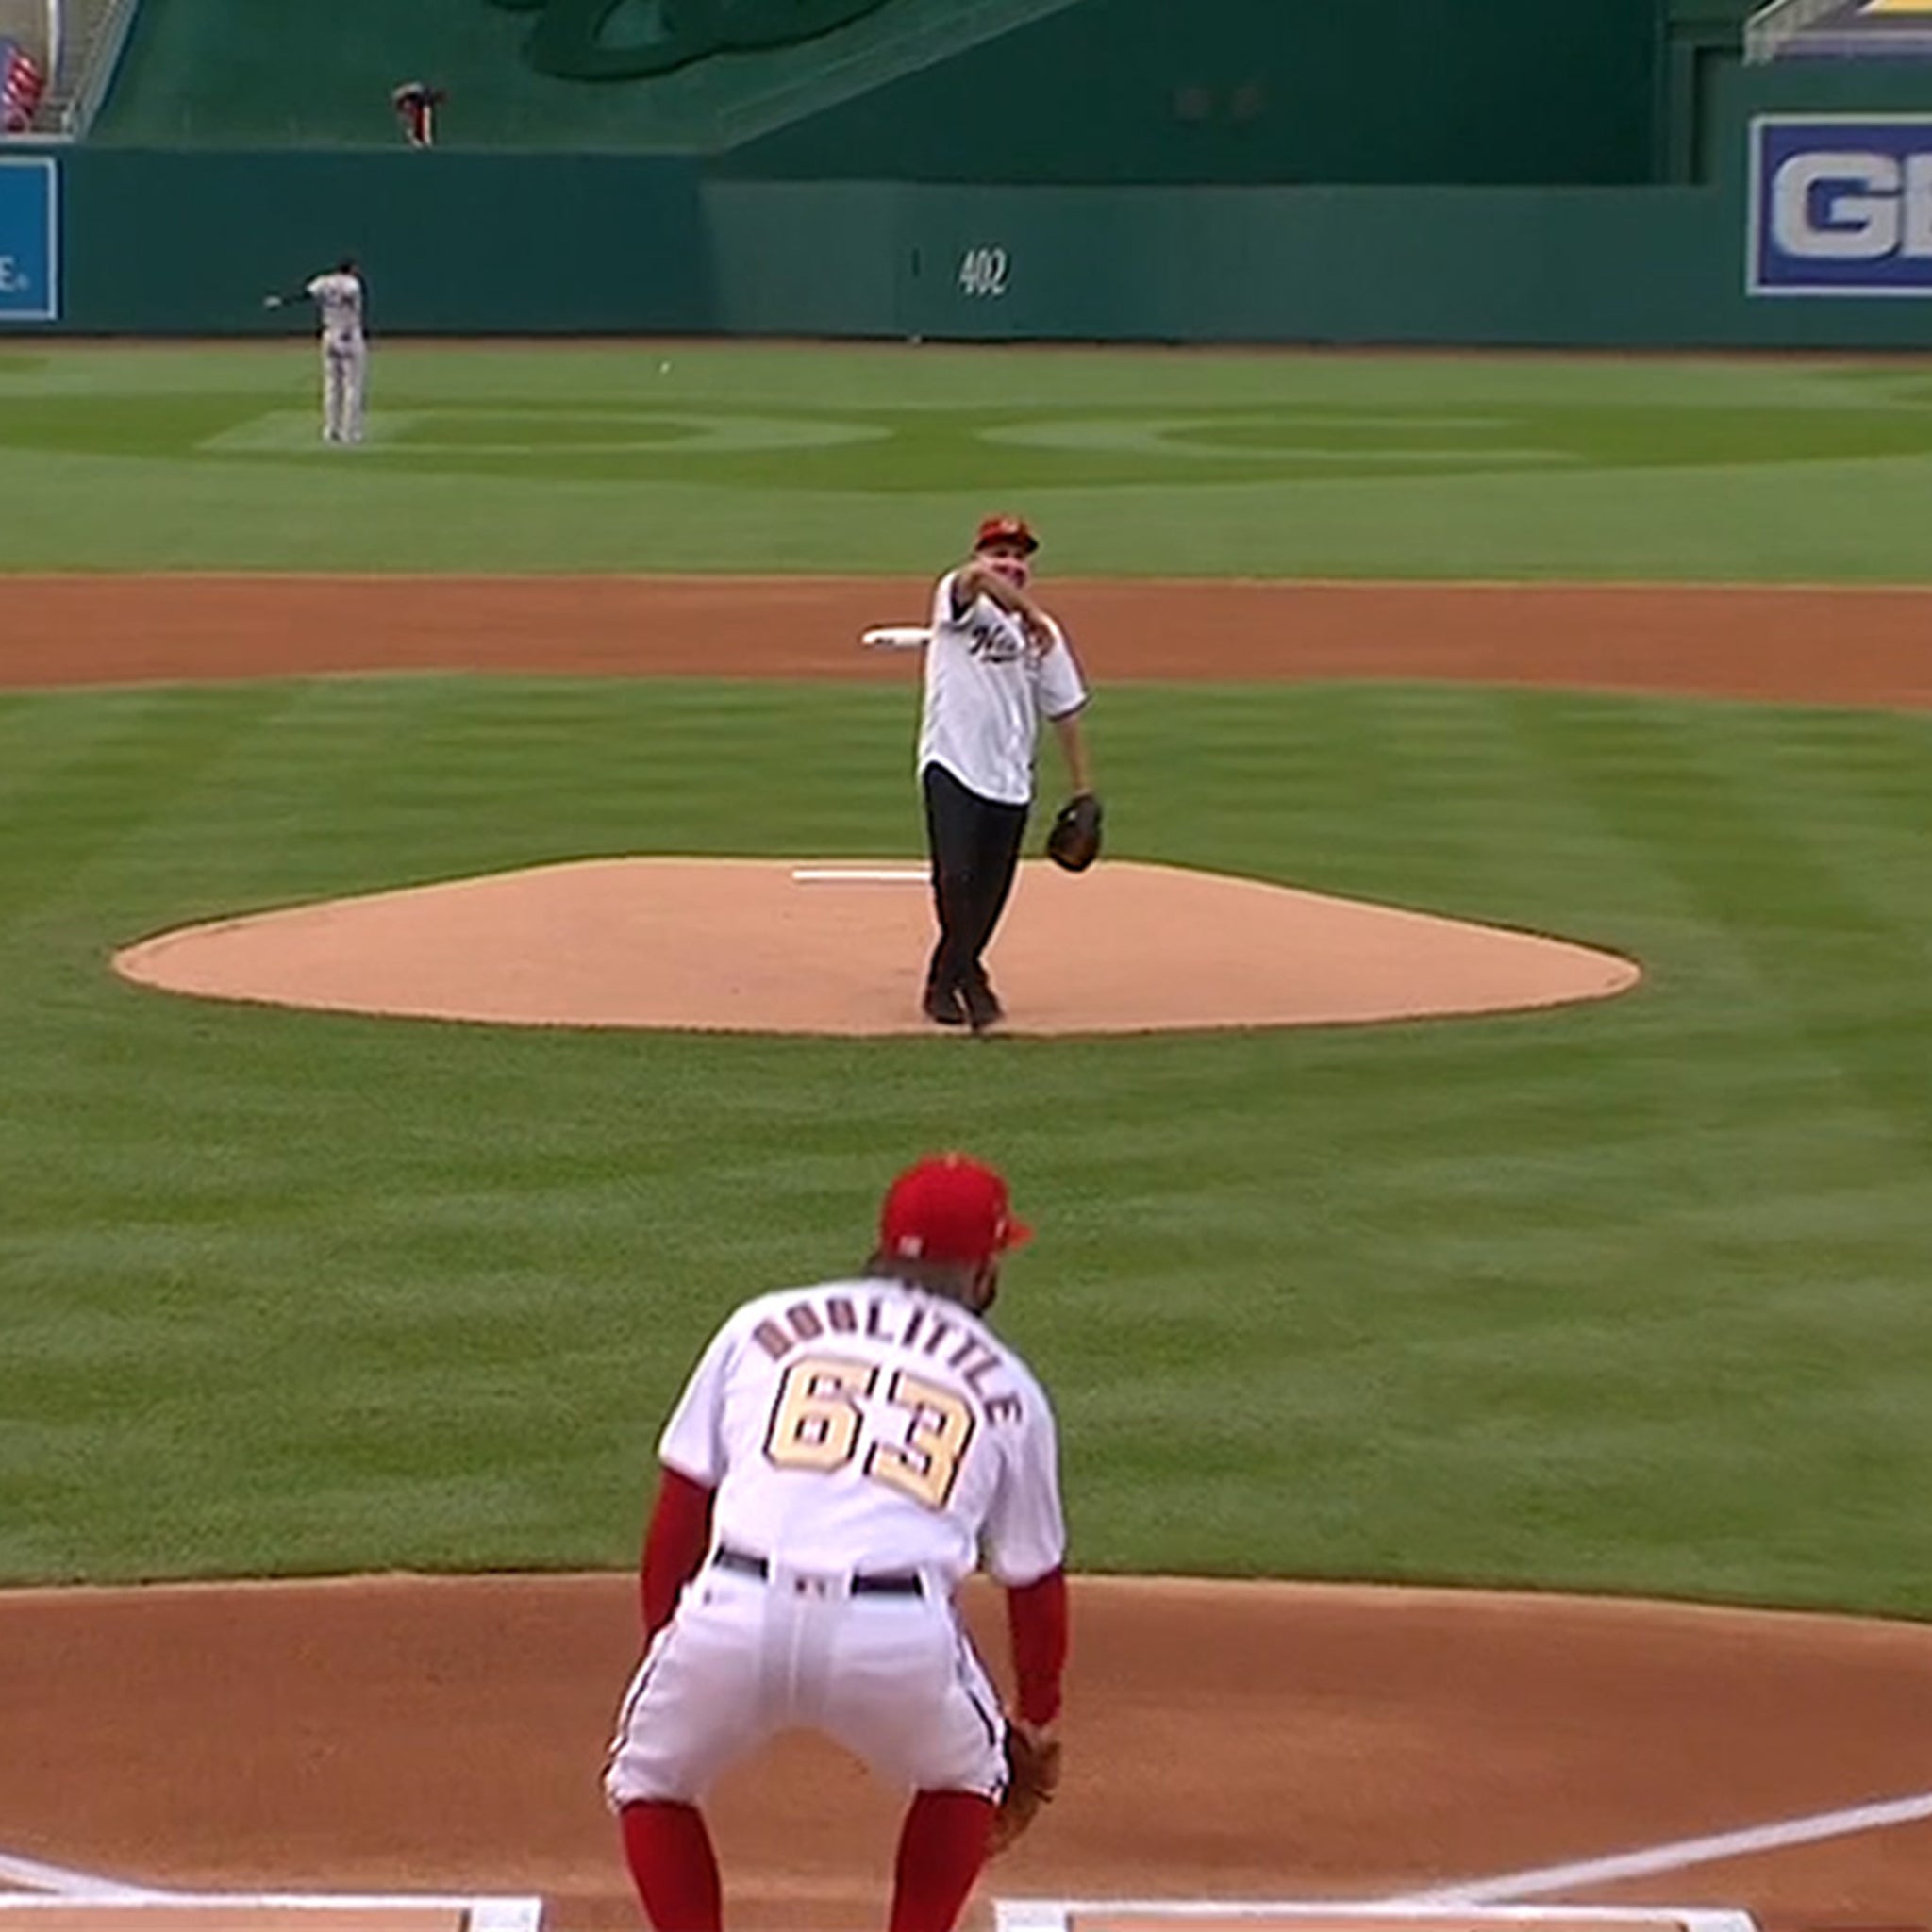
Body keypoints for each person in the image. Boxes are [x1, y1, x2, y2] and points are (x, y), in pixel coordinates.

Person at [603, 1152, 1071, 1932]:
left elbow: (680, 1510)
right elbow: (1034, 1580)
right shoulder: (1009, 1386)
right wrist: (1039, 1715)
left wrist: (670, 1643)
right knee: (965, 1775)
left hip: (733, 1607)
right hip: (896, 1636)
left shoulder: (761, 1324)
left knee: (650, 1778)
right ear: (985, 1269)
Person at [917, 514, 1094, 1032]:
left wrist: (1085, 789)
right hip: (950, 761)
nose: (1010, 565)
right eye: (1000, 554)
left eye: (1019, 556)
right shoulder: (958, 602)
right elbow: (974, 582)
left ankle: (943, 976)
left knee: (990, 893)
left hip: (1011, 775)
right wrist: (1031, 613)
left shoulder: (1044, 636)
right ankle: (969, 978)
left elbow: (1065, 710)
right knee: (955, 878)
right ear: (979, 556)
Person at [263, 258, 368, 446]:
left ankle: (330, 430)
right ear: (352, 269)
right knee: (352, 385)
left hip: (329, 335)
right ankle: (350, 433)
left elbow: (304, 296)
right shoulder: (353, 284)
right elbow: (352, 304)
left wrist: (282, 301)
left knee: (331, 385)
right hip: (349, 336)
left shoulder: (323, 282)